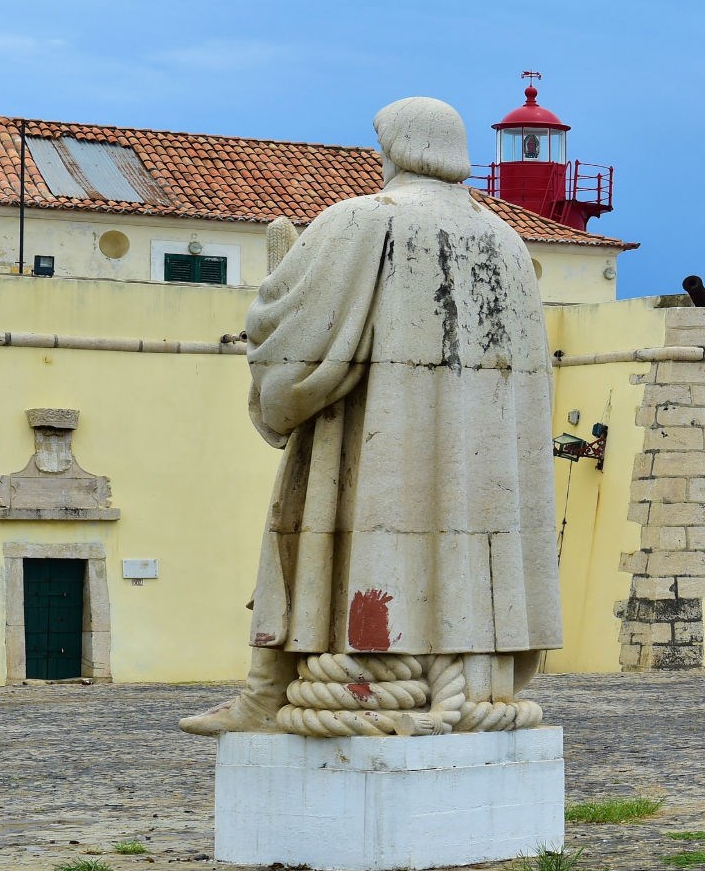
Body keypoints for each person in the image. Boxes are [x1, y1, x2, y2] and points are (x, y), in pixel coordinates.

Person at [180, 97, 561, 736]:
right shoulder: (507, 242)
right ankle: (469, 682)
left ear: (397, 148)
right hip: (477, 467)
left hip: (367, 440)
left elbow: (292, 334)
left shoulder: (364, 220)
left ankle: (271, 694)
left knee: (313, 542)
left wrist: (282, 282)